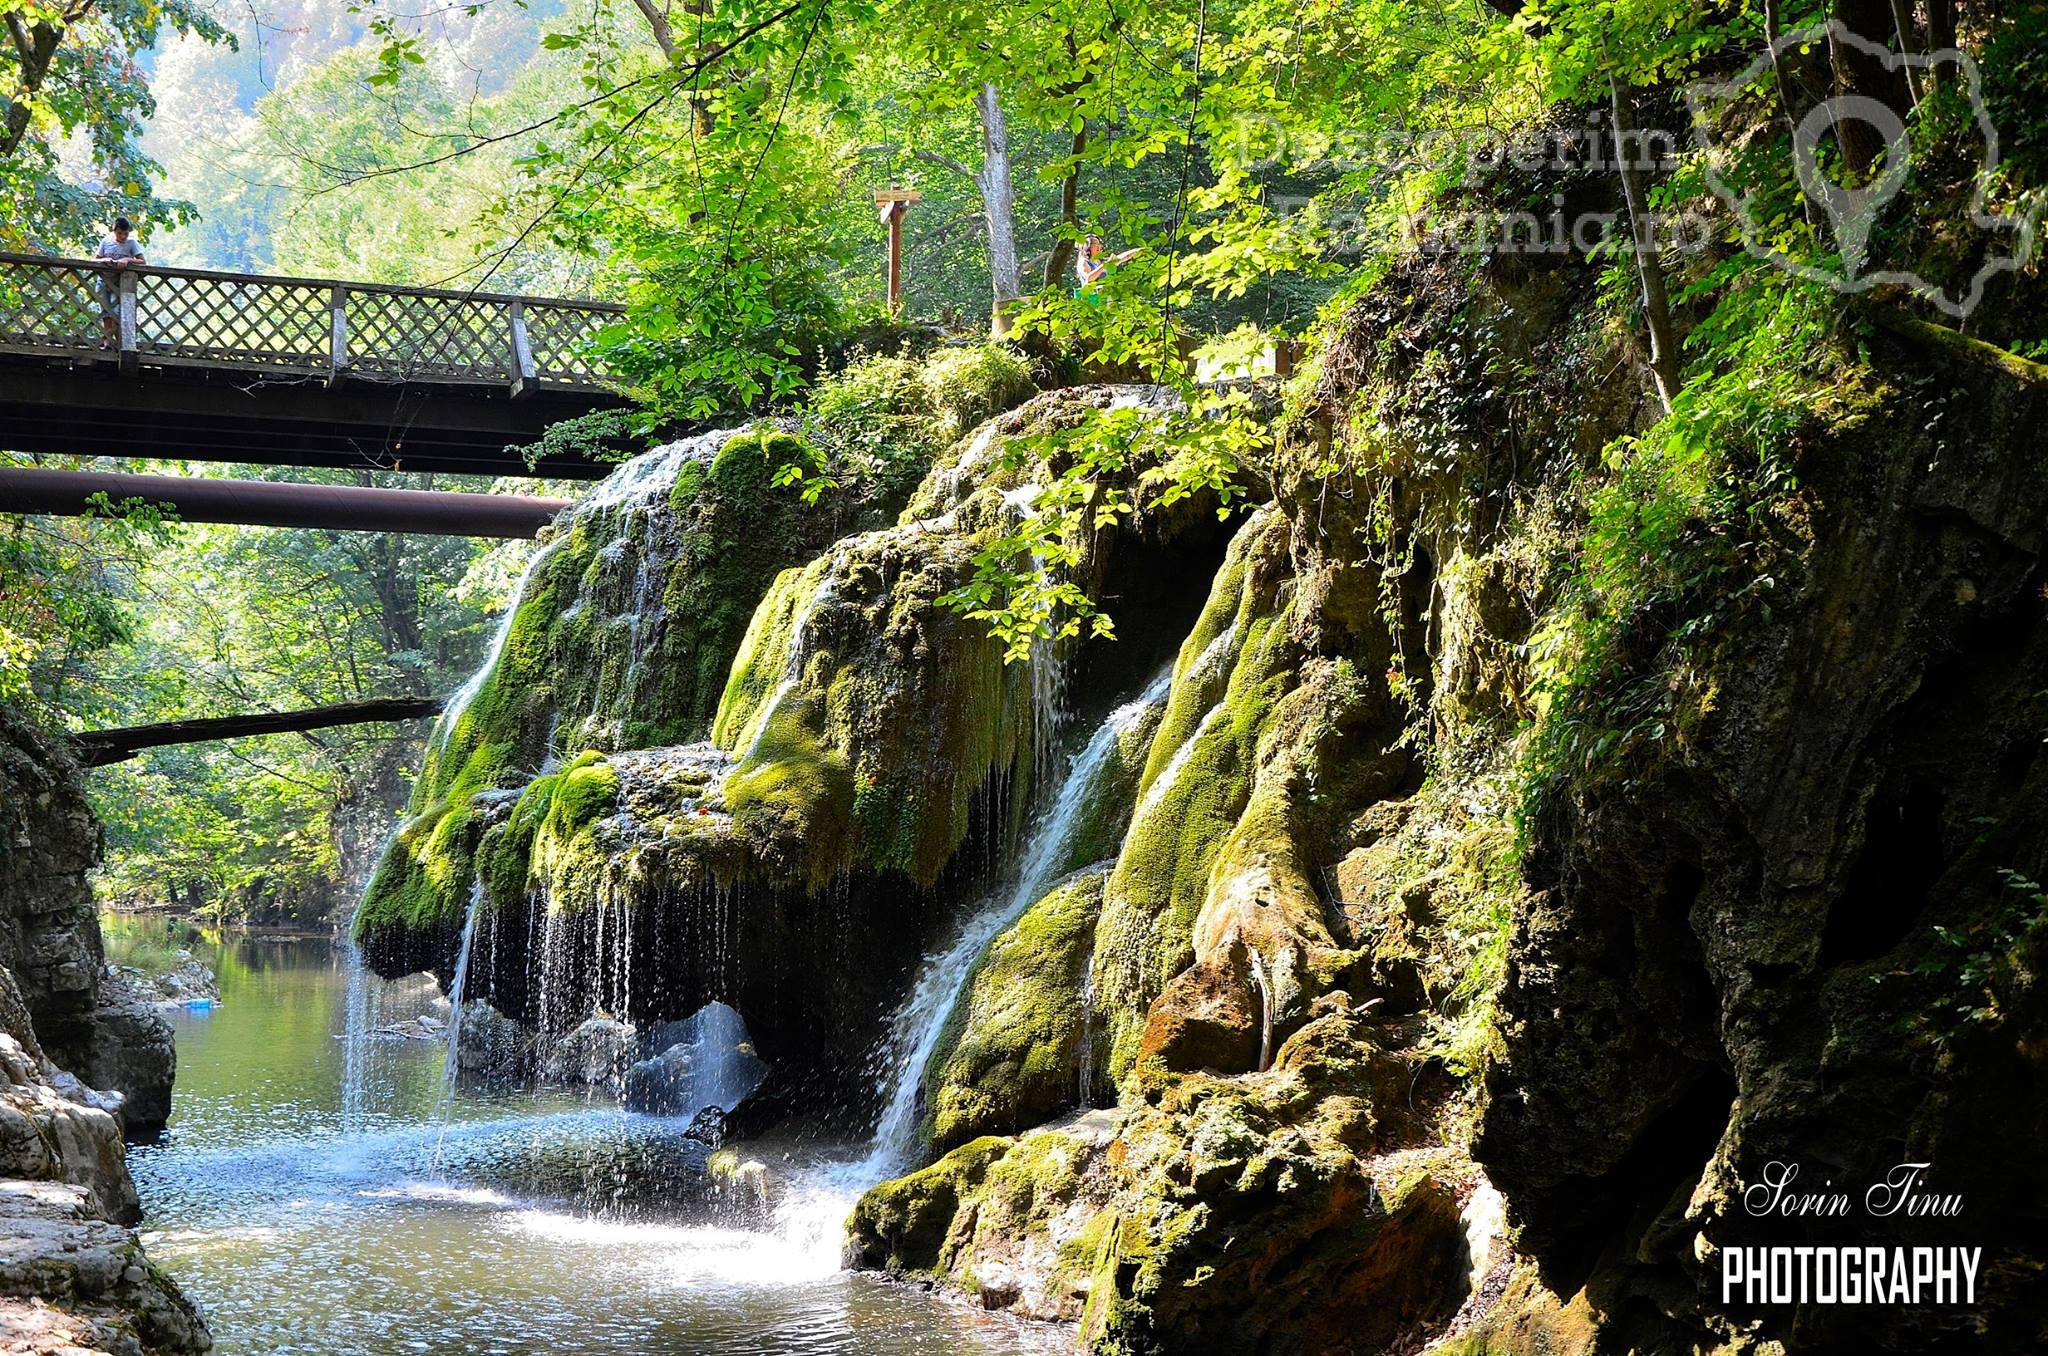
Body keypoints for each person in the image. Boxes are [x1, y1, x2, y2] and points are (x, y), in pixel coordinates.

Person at [94, 217, 145, 350]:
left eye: (125, 234)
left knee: (116, 313)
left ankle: (120, 342)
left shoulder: (132, 243)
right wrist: (106, 260)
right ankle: (107, 342)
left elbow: (142, 261)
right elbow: (96, 259)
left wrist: (128, 259)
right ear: (114, 231)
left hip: (120, 283)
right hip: (104, 281)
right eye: (120, 233)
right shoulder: (106, 242)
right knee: (105, 312)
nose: (122, 236)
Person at [1075, 233, 1140, 298]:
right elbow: (1089, 278)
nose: (1098, 246)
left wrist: (1138, 251)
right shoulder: (1083, 261)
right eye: (1094, 244)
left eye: (1099, 244)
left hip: (1106, 299)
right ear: (1087, 246)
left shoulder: (1101, 261)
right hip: (1091, 299)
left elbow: (1122, 258)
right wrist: (1105, 265)